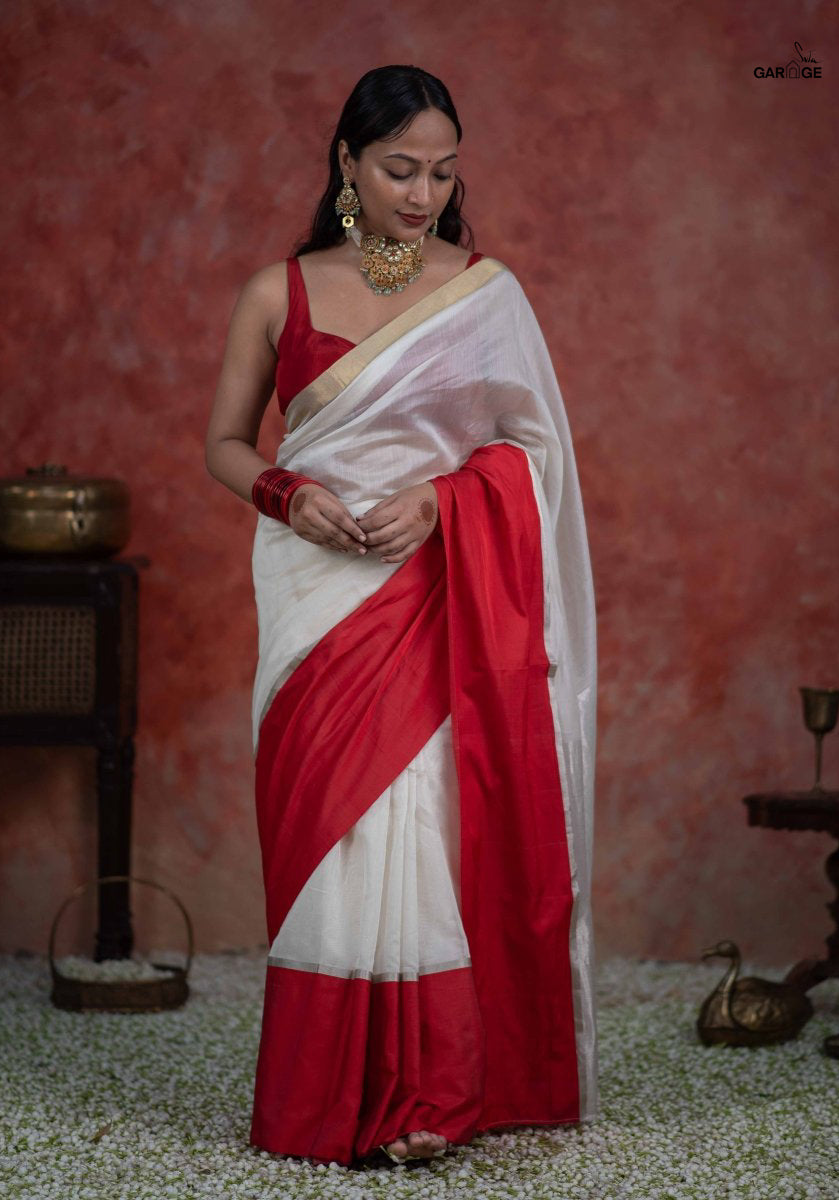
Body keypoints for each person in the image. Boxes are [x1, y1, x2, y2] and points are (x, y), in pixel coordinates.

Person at [205, 64, 598, 1169]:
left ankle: (430, 1092)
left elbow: (534, 457)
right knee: (335, 835)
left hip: (437, 592)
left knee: (420, 825)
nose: (423, 194)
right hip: (314, 595)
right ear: (347, 162)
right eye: (399, 170)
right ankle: (325, 1097)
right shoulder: (277, 292)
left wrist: (440, 503)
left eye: (442, 172)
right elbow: (224, 444)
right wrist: (289, 493)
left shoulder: (483, 293)